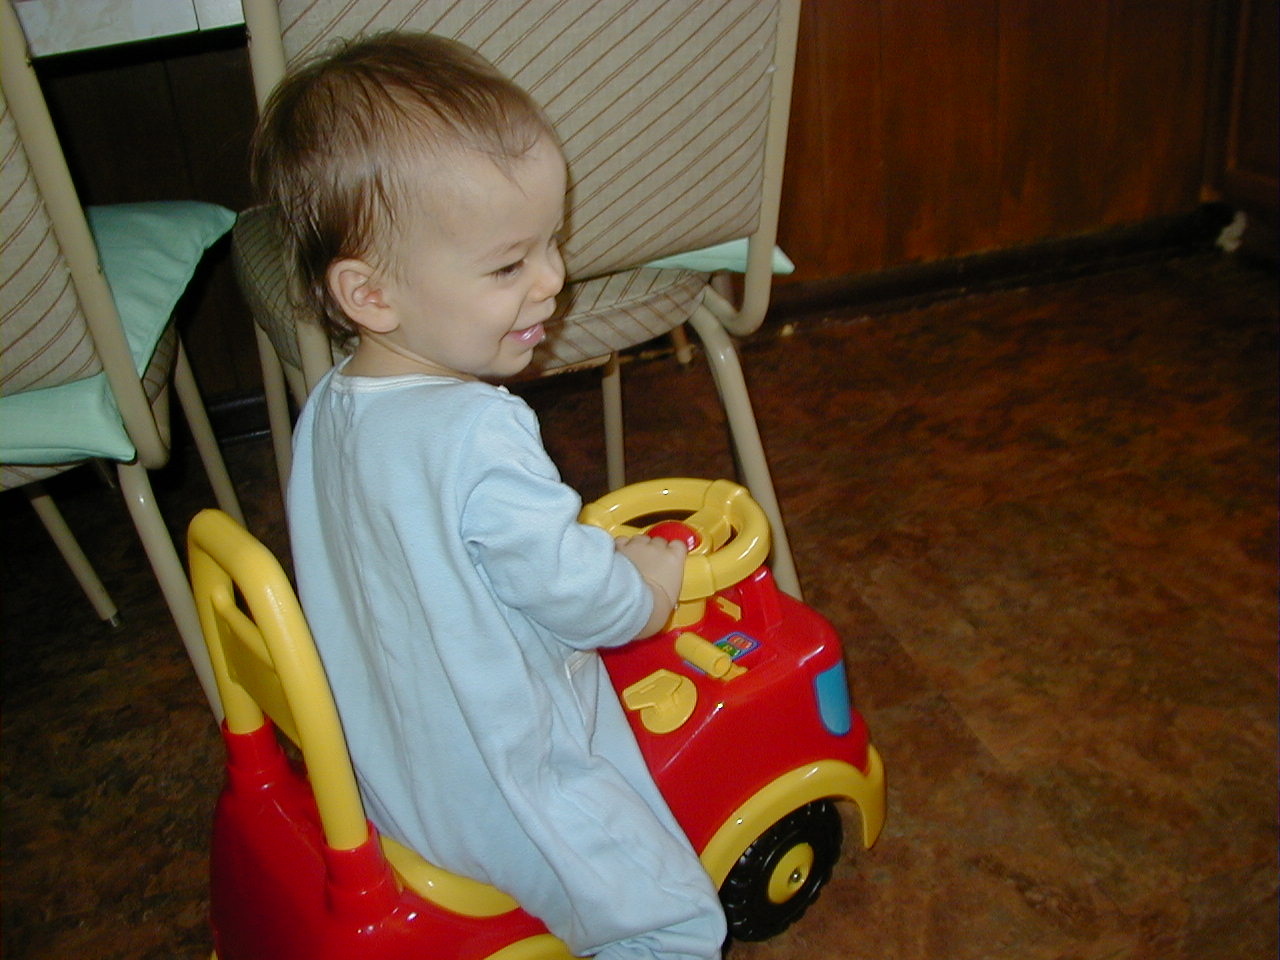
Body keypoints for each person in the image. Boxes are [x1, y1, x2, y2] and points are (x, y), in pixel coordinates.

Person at [251, 31, 728, 960]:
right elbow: (584, 601)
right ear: (371, 295)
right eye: (510, 266)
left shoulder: (331, 408)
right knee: (675, 919)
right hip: (503, 783)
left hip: (390, 771)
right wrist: (648, 584)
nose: (553, 279)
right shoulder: (481, 432)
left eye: (553, 243)